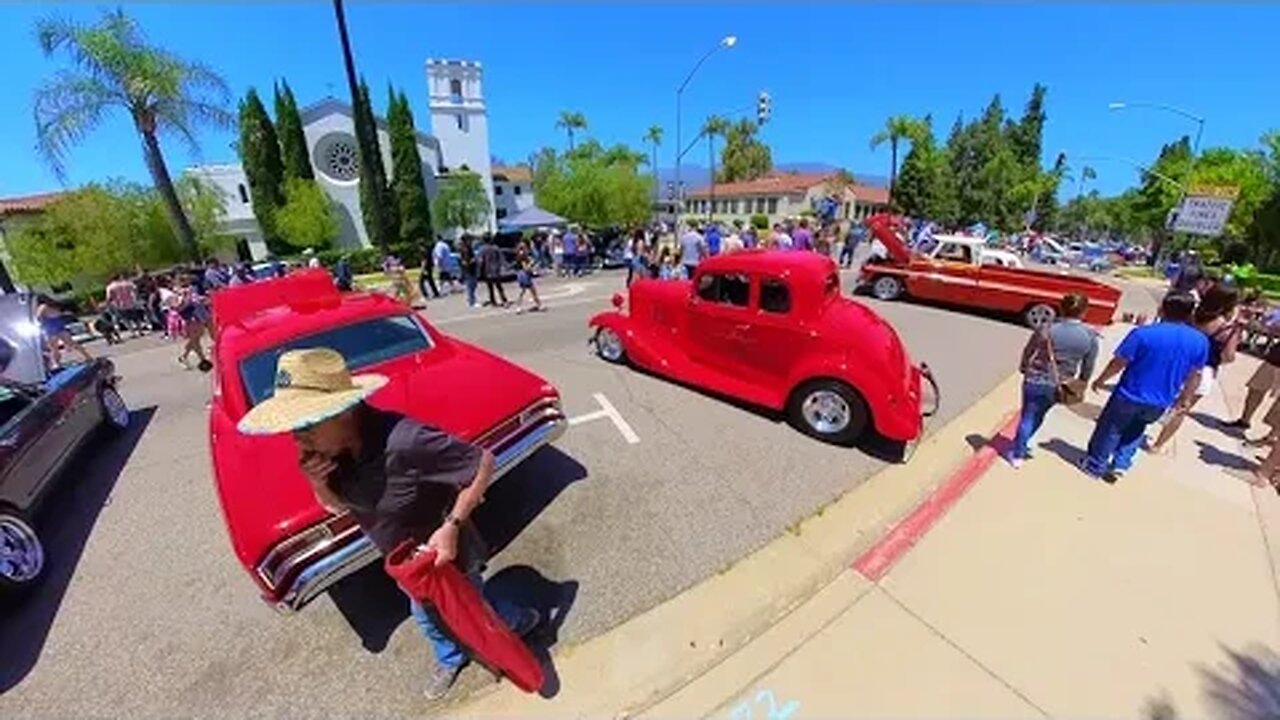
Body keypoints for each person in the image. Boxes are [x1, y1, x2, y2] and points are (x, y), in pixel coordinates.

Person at [236, 348, 541, 700]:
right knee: (427, 617)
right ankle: (451, 658)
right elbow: (336, 507)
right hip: (402, 561)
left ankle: (515, 621)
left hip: (446, 555)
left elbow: (482, 463)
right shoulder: (324, 456)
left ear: (345, 411)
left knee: (473, 605)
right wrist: (317, 482)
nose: (296, 438)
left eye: (306, 424)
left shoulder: (406, 440)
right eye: (292, 427)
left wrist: (452, 526)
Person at [1081, 293, 1208, 481]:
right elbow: (1195, 374)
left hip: (1130, 393)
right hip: (1162, 398)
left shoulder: (1143, 334)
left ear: (1162, 310)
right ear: (1190, 314)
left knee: (1110, 428)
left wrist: (1101, 379)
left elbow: (1119, 362)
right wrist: (1185, 398)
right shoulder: (1200, 341)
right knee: (1137, 429)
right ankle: (1121, 464)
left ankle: (1096, 464)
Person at [1005, 293, 1099, 468]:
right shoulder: (1089, 336)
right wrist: (1082, 383)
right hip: (1060, 385)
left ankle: (1017, 453)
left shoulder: (1047, 329)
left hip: (1035, 379)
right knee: (1039, 414)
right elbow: (1088, 365)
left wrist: (1024, 366)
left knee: (1028, 415)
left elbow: (1029, 350)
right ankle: (1023, 445)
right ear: (1084, 312)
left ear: (1061, 308)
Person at [1148, 285, 1241, 453]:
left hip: (1179, 361)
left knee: (1157, 396)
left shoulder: (1192, 315)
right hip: (1204, 369)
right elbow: (1229, 357)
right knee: (1181, 409)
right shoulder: (1227, 329)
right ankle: (1158, 445)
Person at [36, 296, 92, 370]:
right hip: (59, 325)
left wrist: (41, 323)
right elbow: (59, 314)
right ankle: (87, 356)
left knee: (54, 348)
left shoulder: (42, 307)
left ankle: (56, 364)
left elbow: (38, 317)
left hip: (50, 327)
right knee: (72, 343)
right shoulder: (54, 306)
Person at [176, 276, 213, 372]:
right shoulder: (181, 292)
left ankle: (197, 359)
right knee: (195, 338)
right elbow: (182, 305)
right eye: (183, 280)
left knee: (196, 338)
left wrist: (202, 299)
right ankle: (186, 357)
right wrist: (189, 298)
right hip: (190, 317)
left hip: (197, 316)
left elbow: (195, 299)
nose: (186, 281)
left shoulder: (189, 289)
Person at [106, 273, 145, 338]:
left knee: (126, 319)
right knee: (136, 318)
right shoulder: (128, 283)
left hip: (119, 305)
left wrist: (108, 303)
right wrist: (135, 297)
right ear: (119, 277)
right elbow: (135, 289)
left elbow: (109, 297)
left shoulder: (110, 287)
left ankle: (133, 333)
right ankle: (140, 331)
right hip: (131, 303)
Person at [513, 240, 543, 314]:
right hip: (524, 274)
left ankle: (518, 307)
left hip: (520, 274)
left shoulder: (519, 255)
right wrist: (532, 264)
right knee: (532, 290)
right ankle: (539, 305)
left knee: (523, 291)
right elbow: (526, 268)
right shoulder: (523, 256)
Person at [478, 236, 509, 307]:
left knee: (490, 287)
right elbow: (501, 258)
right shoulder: (496, 248)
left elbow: (481, 261)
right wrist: (505, 266)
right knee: (499, 287)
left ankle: (493, 301)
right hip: (496, 270)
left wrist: (479, 271)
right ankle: (504, 300)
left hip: (487, 271)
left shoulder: (482, 249)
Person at [458, 236, 480, 308]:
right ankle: (472, 301)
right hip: (469, 269)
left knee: (471, 285)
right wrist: (473, 260)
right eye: (469, 239)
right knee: (471, 285)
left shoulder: (465, 248)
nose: (471, 241)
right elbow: (465, 261)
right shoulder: (466, 249)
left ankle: (470, 300)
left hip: (468, 269)